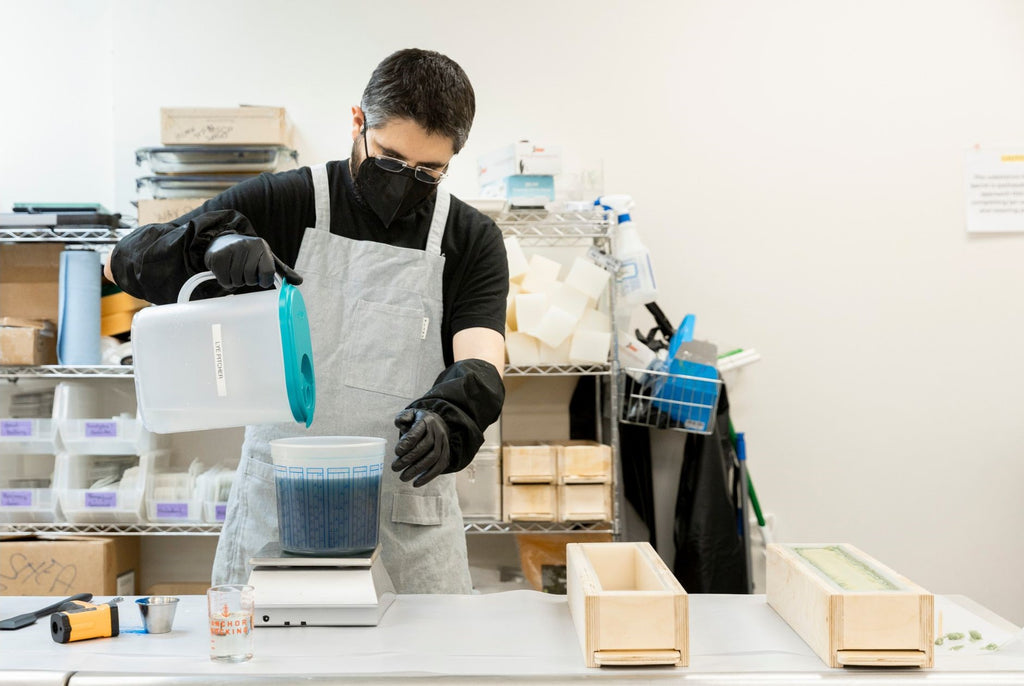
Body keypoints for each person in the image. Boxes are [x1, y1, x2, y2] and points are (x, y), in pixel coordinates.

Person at [106, 49, 508, 593]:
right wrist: (214, 245)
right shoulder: (288, 201)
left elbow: (482, 355)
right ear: (357, 122)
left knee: (424, 673)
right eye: (390, 160)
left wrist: (454, 413)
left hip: (409, 509)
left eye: (428, 171)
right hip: (281, 505)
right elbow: (120, 261)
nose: (404, 183)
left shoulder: (470, 238)